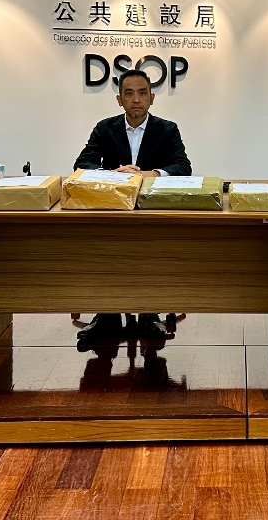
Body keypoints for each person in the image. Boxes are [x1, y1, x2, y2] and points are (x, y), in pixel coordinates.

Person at [73, 69, 191, 343]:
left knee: (152, 255)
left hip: (152, 212)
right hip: (114, 211)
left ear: (152, 98)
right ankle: (106, 315)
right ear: (119, 100)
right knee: (104, 252)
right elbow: (83, 163)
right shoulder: (105, 128)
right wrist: (114, 174)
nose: (136, 99)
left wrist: (148, 174)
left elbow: (182, 166)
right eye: (129, 93)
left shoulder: (167, 129)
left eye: (142, 93)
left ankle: (150, 314)